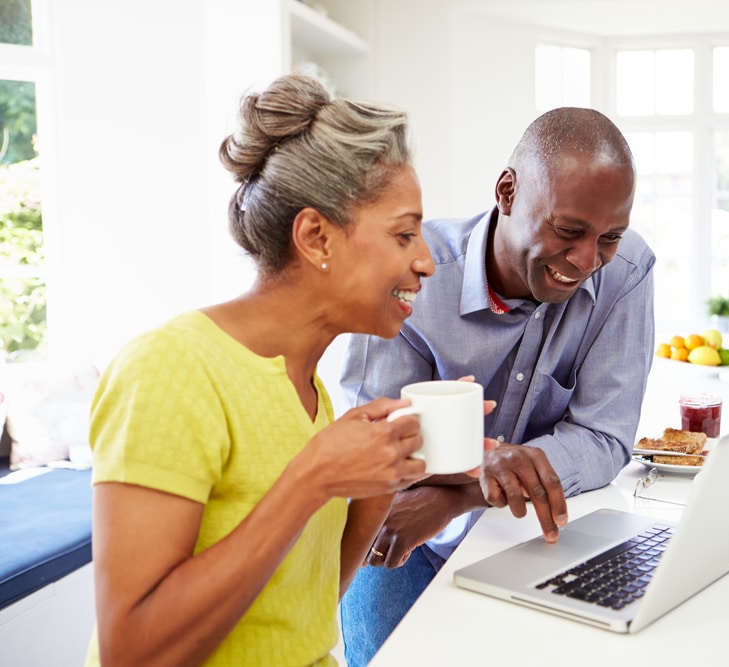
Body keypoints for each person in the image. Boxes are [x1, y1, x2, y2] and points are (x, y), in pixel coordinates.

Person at [84, 74, 485, 666]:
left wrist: (383, 484)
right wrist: (312, 479)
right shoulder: (170, 369)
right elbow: (133, 653)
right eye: (404, 234)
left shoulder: (311, 393)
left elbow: (305, 612)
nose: (426, 261)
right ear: (316, 236)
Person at [339, 106, 656, 666]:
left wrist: (467, 489)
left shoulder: (625, 272)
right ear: (507, 191)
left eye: (608, 236)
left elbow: (605, 438)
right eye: (568, 230)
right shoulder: (413, 275)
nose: (586, 261)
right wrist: (475, 467)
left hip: (526, 539)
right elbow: (369, 452)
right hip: (403, 533)